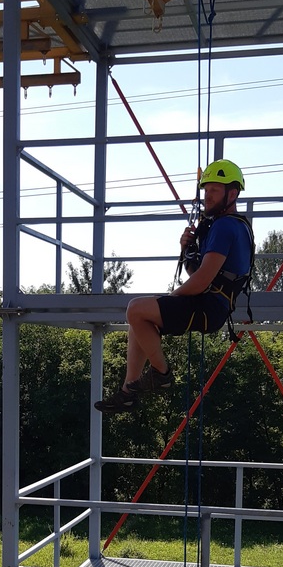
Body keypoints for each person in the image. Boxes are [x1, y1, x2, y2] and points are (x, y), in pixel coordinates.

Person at [95, 159, 254, 413]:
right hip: (211, 305)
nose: (207, 196)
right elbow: (199, 273)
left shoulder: (225, 226)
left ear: (232, 194)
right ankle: (128, 392)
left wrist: (172, 297)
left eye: (214, 190)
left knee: (136, 309)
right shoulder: (231, 225)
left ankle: (162, 374)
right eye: (206, 190)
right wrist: (187, 249)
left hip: (209, 306)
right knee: (138, 321)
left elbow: (201, 281)